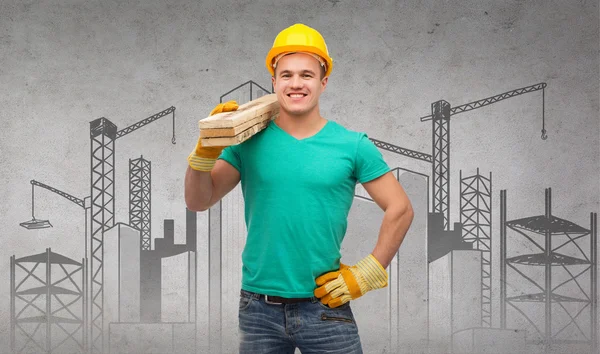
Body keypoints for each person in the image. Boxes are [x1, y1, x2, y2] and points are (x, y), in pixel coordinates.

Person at [185, 23, 414, 354]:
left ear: (323, 82)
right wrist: (204, 152)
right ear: (274, 82)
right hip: (257, 310)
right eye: (287, 74)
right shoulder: (245, 142)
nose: (296, 83)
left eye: (306, 75)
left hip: (324, 306)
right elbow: (198, 200)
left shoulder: (352, 145)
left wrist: (367, 272)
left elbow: (401, 208)